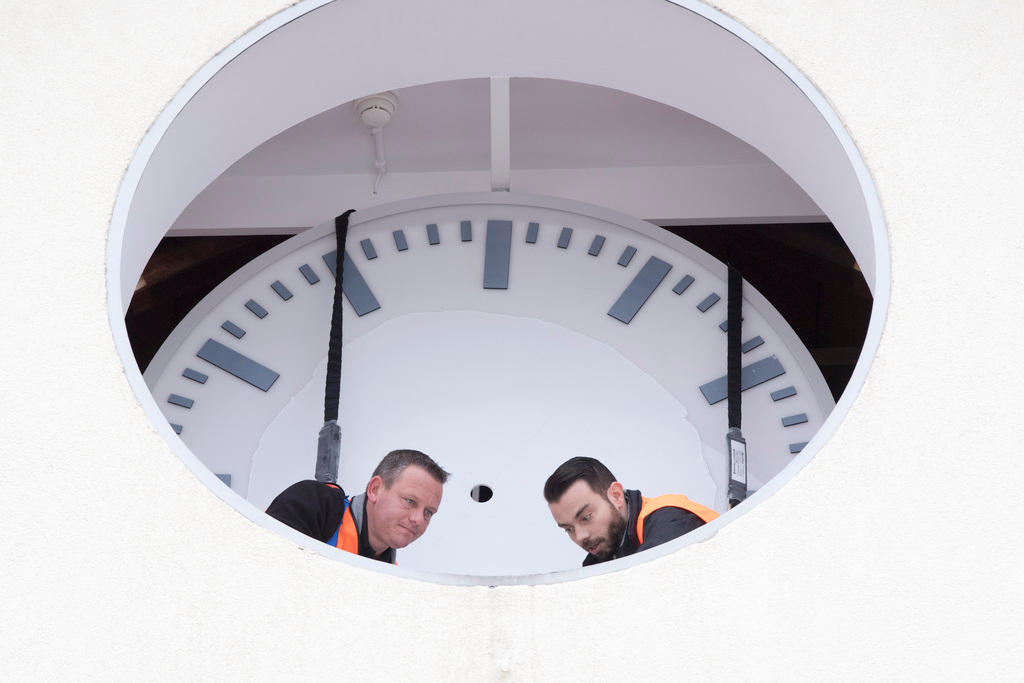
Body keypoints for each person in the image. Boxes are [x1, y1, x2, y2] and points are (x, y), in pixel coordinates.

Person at [266, 449, 449, 563]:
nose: (418, 519)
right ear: (375, 489)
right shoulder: (314, 502)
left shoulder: (393, 579)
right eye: (410, 501)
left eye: (428, 512)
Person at [543, 456, 718, 566]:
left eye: (586, 517)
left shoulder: (671, 520)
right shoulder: (598, 563)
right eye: (568, 529)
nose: (580, 537)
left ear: (617, 495)